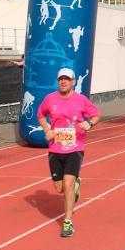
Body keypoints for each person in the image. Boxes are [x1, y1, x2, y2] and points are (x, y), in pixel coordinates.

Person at [37, 68, 101, 237]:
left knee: (68, 184)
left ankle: (67, 222)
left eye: (67, 79)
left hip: (75, 148)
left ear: (73, 82)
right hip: (55, 148)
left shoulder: (81, 100)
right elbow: (41, 115)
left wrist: (90, 123)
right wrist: (47, 129)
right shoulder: (50, 99)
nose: (63, 82)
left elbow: (96, 115)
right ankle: (75, 187)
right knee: (59, 188)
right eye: (60, 79)